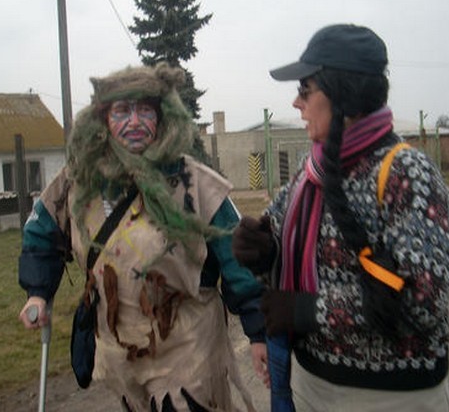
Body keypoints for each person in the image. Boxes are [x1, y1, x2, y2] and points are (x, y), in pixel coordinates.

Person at [233, 24, 449, 411]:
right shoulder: (310, 173)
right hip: (311, 386)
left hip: (390, 398)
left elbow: (424, 300)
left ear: (344, 96)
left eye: (305, 89)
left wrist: (309, 310)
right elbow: (285, 269)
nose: (296, 102)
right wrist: (263, 253)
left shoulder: (408, 173)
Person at [18, 62, 267, 411]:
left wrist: (258, 332)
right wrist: (38, 293)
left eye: (145, 110)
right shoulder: (77, 182)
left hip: (187, 346)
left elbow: (237, 257)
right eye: (122, 110)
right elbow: (42, 235)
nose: (134, 122)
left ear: (162, 117)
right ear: (103, 119)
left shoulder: (193, 183)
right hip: (119, 351)